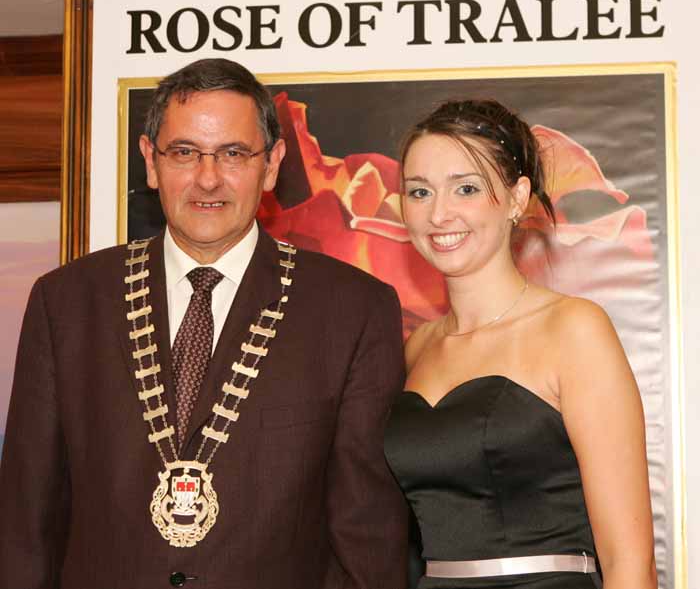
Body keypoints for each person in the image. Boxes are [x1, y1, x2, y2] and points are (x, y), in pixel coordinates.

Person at [0, 58, 408, 588]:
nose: (208, 178)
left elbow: (367, 535)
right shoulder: (68, 304)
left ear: (272, 164)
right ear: (150, 161)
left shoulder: (351, 311)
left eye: (234, 153)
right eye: (185, 152)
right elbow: (26, 524)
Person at [383, 99, 657, 589]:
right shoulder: (414, 348)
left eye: (465, 188)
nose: (439, 213)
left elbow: (628, 561)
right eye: (419, 192)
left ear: (516, 198)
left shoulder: (574, 329)